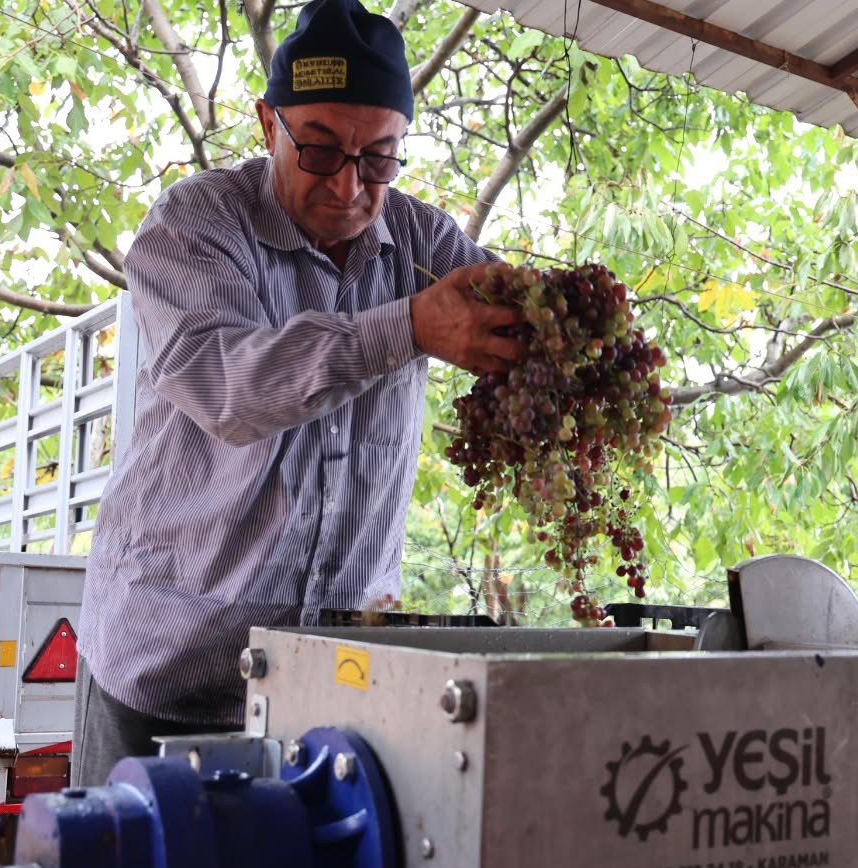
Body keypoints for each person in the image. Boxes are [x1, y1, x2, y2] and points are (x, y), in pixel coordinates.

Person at [70, 0, 524, 786]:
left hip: (332, 692)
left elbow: (505, 319)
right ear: (265, 125)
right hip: (171, 676)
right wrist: (408, 329)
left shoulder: (420, 242)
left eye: (379, 159)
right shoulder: (195, 226)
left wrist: (555, 331)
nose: (349, 185)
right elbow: (232, 386)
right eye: (320, 149)